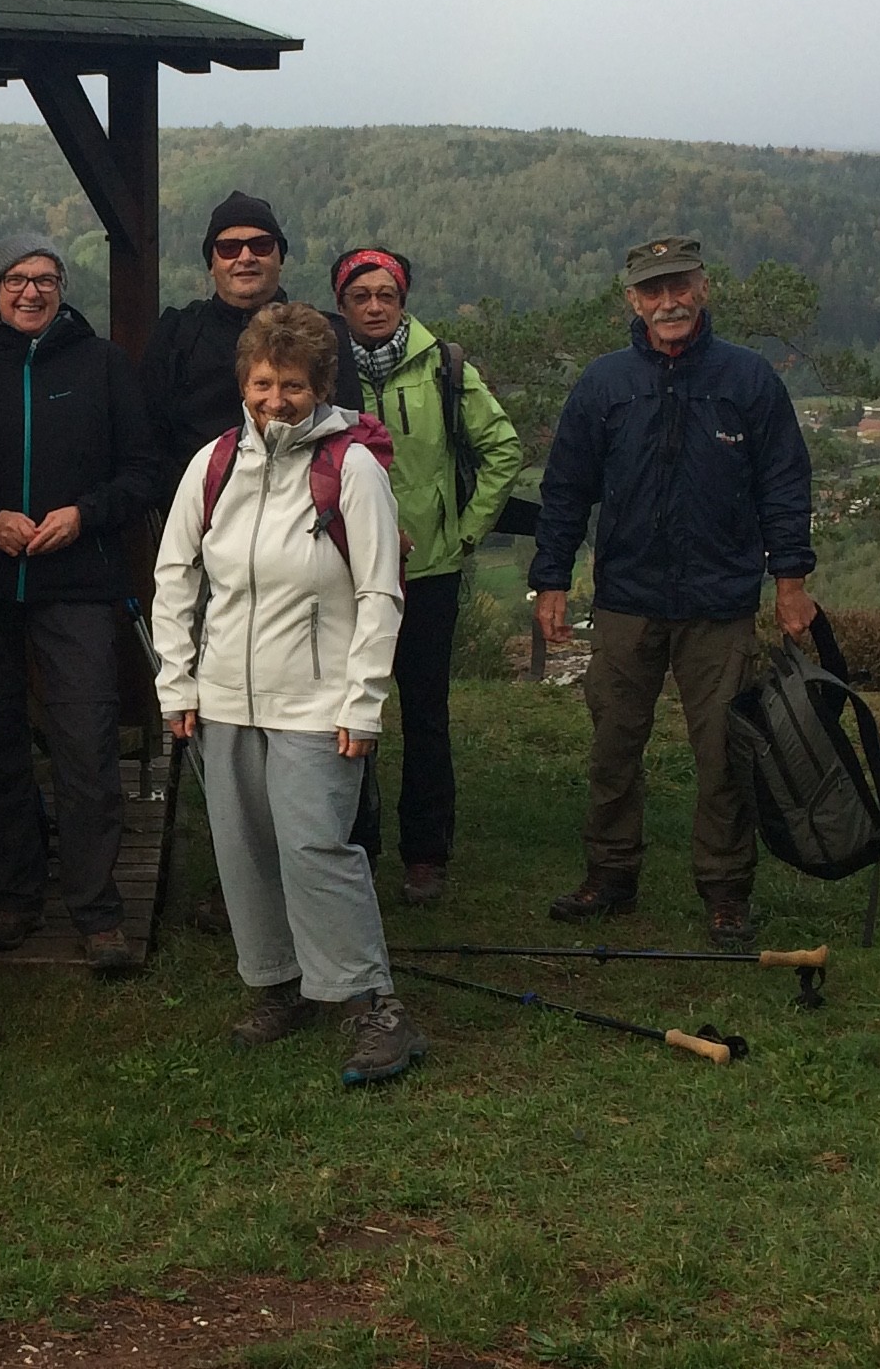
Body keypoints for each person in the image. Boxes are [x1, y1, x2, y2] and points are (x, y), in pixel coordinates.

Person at [150, 302, 423, 1085]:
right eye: (264, 382)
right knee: (243, 853)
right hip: (226, 699)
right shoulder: (213, 464)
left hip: (317, 703)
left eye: (293, 385)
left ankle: (374, 1007)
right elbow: (176, 574)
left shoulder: (353, 468)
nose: (276, 400)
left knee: (316, 850)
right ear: (245, 381)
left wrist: (363, 700)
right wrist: (178, 681)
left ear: (321, 387)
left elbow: (380, 592)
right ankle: (280, 986)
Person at [527, 236, 818, 945]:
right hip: (626, 598)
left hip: (719, 603)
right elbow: (566, 490)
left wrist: (790, 583)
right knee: (613, 745)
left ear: (704, 289)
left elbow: (784, 485)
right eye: (653, 291)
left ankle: (724, 890)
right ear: (632, 300)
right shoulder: (604, 385)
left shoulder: (748, 381)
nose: (668, 302)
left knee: (724, 750)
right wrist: (551, 580)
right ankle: (610, 875)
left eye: (679, 286)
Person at [0, 232, 162, 971]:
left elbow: (144, 471)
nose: (33, 291)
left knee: (86, 746)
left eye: (47, 278)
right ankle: (15, 896)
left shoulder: (103, 366)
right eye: (19, 279)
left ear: (63, 288)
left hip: (79, 583)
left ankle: (97, 911)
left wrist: (84, 514)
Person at [329, 247, 525, 905]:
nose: (376, 306)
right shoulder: (322, 369)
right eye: (361, 296)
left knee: (426, 714)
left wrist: (464, 532)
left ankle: (425, 852)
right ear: (342, 305)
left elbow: (502, 447)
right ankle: (353, 843)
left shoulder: (443, 365)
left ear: (404, 299)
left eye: (387, 294)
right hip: (344, 571)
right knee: (348, 711)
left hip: (429, 570)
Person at [138, 191, 360, 486]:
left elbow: (348, 433)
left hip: (302, 510)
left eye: (261, 245)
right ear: (211, 263)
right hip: (201, 507)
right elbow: (148, 438)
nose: (246, 258)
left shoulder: (323, 335)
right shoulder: (177, 335)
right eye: (229, 248)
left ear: (280, 258)